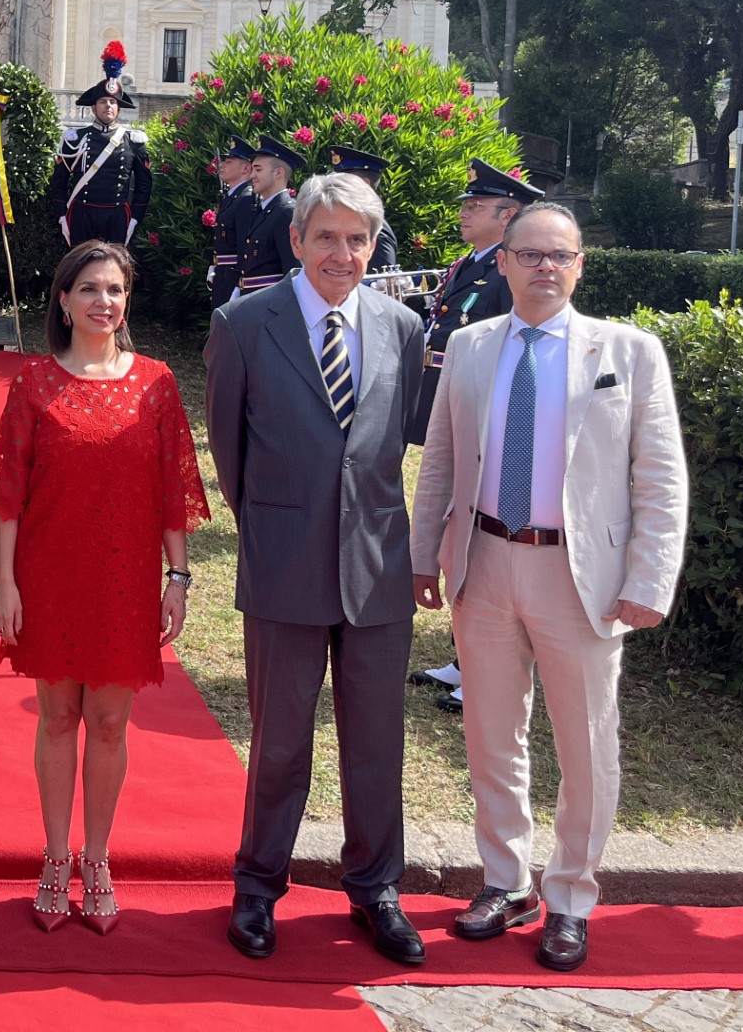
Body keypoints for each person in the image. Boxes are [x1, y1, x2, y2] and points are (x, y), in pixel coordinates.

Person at [412, 203, 688, 973]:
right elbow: (440, 458)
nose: (543, 267)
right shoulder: (468, 347)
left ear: (580, 264)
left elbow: (660, 477)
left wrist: (648, 579)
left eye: (558, 255)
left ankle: (569, 895)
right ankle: (508, 881)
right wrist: (420, 554)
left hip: (583, 578)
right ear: (501, 262)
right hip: (486, 562)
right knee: (491, 735)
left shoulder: (629, 352)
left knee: (586, 743)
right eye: (528, 254)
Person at [203, 172, 427, 967]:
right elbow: (230, 453)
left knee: (376, 742)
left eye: (357, 239)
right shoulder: (243, 324)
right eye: (326, 236)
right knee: (281, 742)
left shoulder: (402, 326)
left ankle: (375, 890)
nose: (342, 253)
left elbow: (394, 437)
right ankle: (258, 886)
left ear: (373, 247)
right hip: (283, 564)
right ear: (296, 240)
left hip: (377, 570)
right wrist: (277, 526)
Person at [0, 241, 209, 934]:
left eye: (113, 290)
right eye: (88, 289)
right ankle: (54, 857)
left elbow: (175, 493)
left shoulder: (158, 382)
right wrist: (4, 584)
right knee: (57, 718)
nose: (102, 302)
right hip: (49, 577)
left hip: (125, 580)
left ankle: (98, 857)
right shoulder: (35, 383)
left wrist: (178, 578)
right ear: (63, 299)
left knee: (110, 722)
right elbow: (8, 496)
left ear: (126, 299)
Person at [405, 159, 543, 711]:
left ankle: (489, 669)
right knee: (460, 534)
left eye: (475, 206)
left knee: (493, 543)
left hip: (492, 418)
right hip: (454, 405)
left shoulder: (509, 270)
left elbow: (517, 349)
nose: (463, 213)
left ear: (507, 215)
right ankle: (465, 657)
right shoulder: (472, 264)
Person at [50, 42, 151, 247]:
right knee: (80, 270)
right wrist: (62, 215)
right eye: (103, 102)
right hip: (81, 214)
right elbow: (58, 181)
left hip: (117, 216)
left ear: (119, 109)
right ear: (94, 108)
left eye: (113, 102)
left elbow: (144, 184)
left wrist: (134, 218)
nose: (108, 106)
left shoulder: (133, 142)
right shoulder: (75, 139)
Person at [232, 133, 303, 298]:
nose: (251, 176)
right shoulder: (265, 210)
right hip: (255, 302)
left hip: (272, 306)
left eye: (258, 169)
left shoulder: (286, 212)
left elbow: (293, 273)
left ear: (278, 173)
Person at [327, 146, 400, 275]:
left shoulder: (377, 232)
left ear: (364, 184)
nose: (334, 186)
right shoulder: (359, 223)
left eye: (342, 181)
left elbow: (381, 284)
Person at [208, 139, 259, 311]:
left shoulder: (245, 198)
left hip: (232, 277)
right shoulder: (233, 197)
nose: (221, 165)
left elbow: (244, 247)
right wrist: (213, 265)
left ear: (245, 168)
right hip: (223, 273)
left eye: (228, 162)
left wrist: (239, 284)